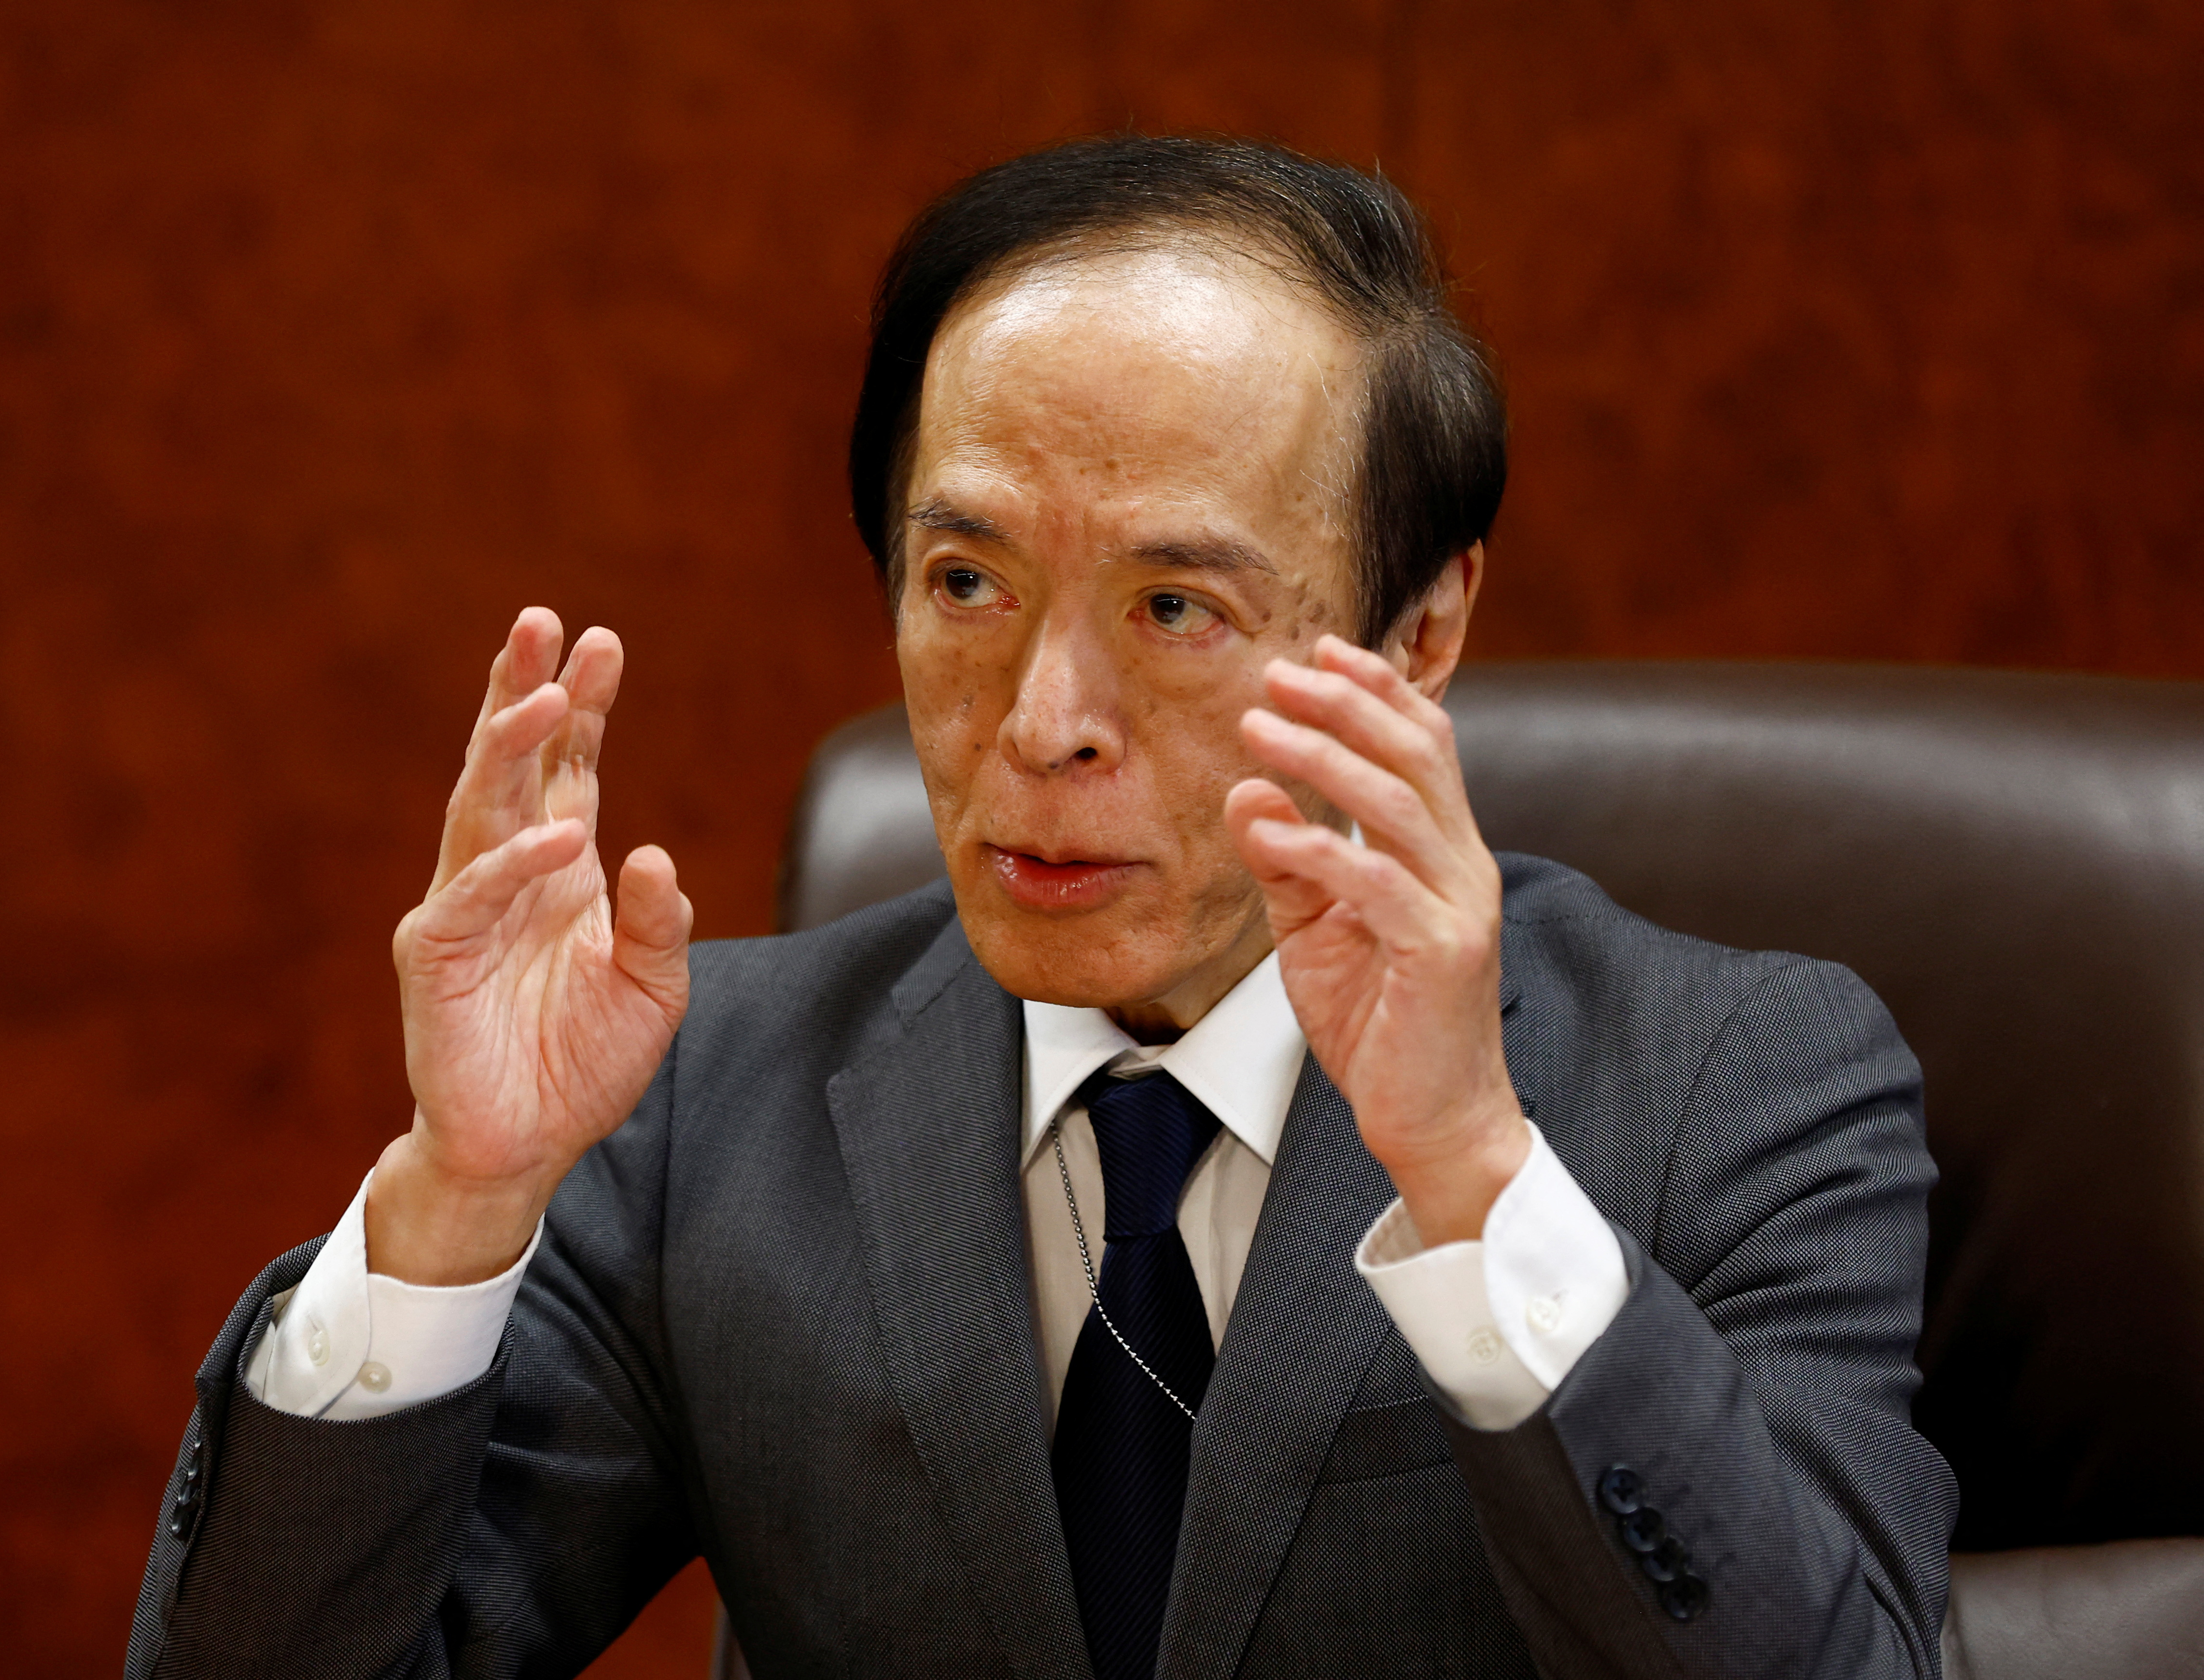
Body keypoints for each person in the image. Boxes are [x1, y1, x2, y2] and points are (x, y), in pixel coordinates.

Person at [127, 136, 1954, 1680]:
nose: (1041, 721)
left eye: (1176, 608)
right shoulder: (698, 1101)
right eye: (965, 578)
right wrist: (457, 1199)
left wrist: (1477, 1177)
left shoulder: (1746, 1079)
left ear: (1421, 633)